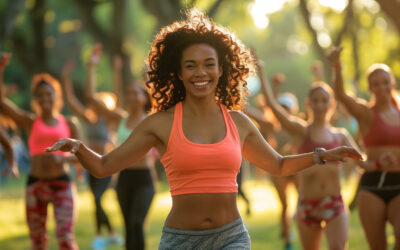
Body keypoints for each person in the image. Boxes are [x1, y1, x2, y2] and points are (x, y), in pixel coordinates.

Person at [47, 9, 362, 250]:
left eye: (208, 64)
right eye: (191, 65)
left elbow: (278, 165)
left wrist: (322, 154)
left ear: (221, 69)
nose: (201, 72)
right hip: (180, 239)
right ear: (179, 73)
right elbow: (104, 167)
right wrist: (78, 147)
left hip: (232, 237)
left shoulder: (238, 122)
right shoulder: (160, 122)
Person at [255, 52, 361, 250]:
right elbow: (273, 106)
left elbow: (362, 162)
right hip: (307, 204)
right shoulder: (301, 131)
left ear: (332, 104)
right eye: (316, 101)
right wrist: (261, 71)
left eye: (324, 101)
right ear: (308, 104)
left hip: (334, 204)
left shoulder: (341, 135)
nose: (320, 105)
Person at [0, 53, 80, 250]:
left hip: (62, 184)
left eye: (49, 93)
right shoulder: (29, 121)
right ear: (35, 99)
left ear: (56, 95)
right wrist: (0, 71)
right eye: (40, 95)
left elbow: (81, 155)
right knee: (37, 241)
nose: (45, 98)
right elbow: (1, 104)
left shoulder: (69, 123)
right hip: (36, 184)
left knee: (65, 237)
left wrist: (65, 160)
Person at [328, 47, 400, 250]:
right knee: (378, 246)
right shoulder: (366, 114)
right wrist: (337, 65)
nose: (382, 87)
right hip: (372, 185)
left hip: (398, 182)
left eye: (386, 82)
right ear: (370, 88)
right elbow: (341, 95)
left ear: (392, 83)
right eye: (376, 84)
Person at [61, 47, 121, 249]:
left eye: (101, 103)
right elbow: (71, 100)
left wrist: (118, 71)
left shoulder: (110, 121)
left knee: (96, 198)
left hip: (106, 165)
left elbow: (118, 95)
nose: (97, 105)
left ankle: (105, 234)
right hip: (89, 166)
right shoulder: (88, 119)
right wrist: (66, 79)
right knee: (96, 201)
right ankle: (106, 234)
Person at [245, 75, 299, 250]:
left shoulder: (297, 127)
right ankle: (287, 241)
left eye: (287, 108)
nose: (283, 110)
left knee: (302, 200)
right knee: (284, 205)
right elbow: (269, 105)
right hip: (278, 169)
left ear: (293, 109)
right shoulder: (271, 125)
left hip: (296, 169)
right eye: (281, 107)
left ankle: (301, 228)